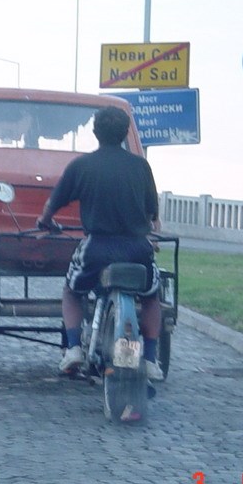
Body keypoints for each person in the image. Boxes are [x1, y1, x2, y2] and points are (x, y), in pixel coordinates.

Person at [36, 105, 165, 381]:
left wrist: (44, 222)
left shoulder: (82, 166)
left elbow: (52, 205)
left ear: (95, 133)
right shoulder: (141, 166)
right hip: (136, 250)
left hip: (98, 248)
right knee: (153, 295)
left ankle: (73, 348)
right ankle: (151, 359)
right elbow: (153, 215)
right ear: (124, 133)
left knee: (72, 291)